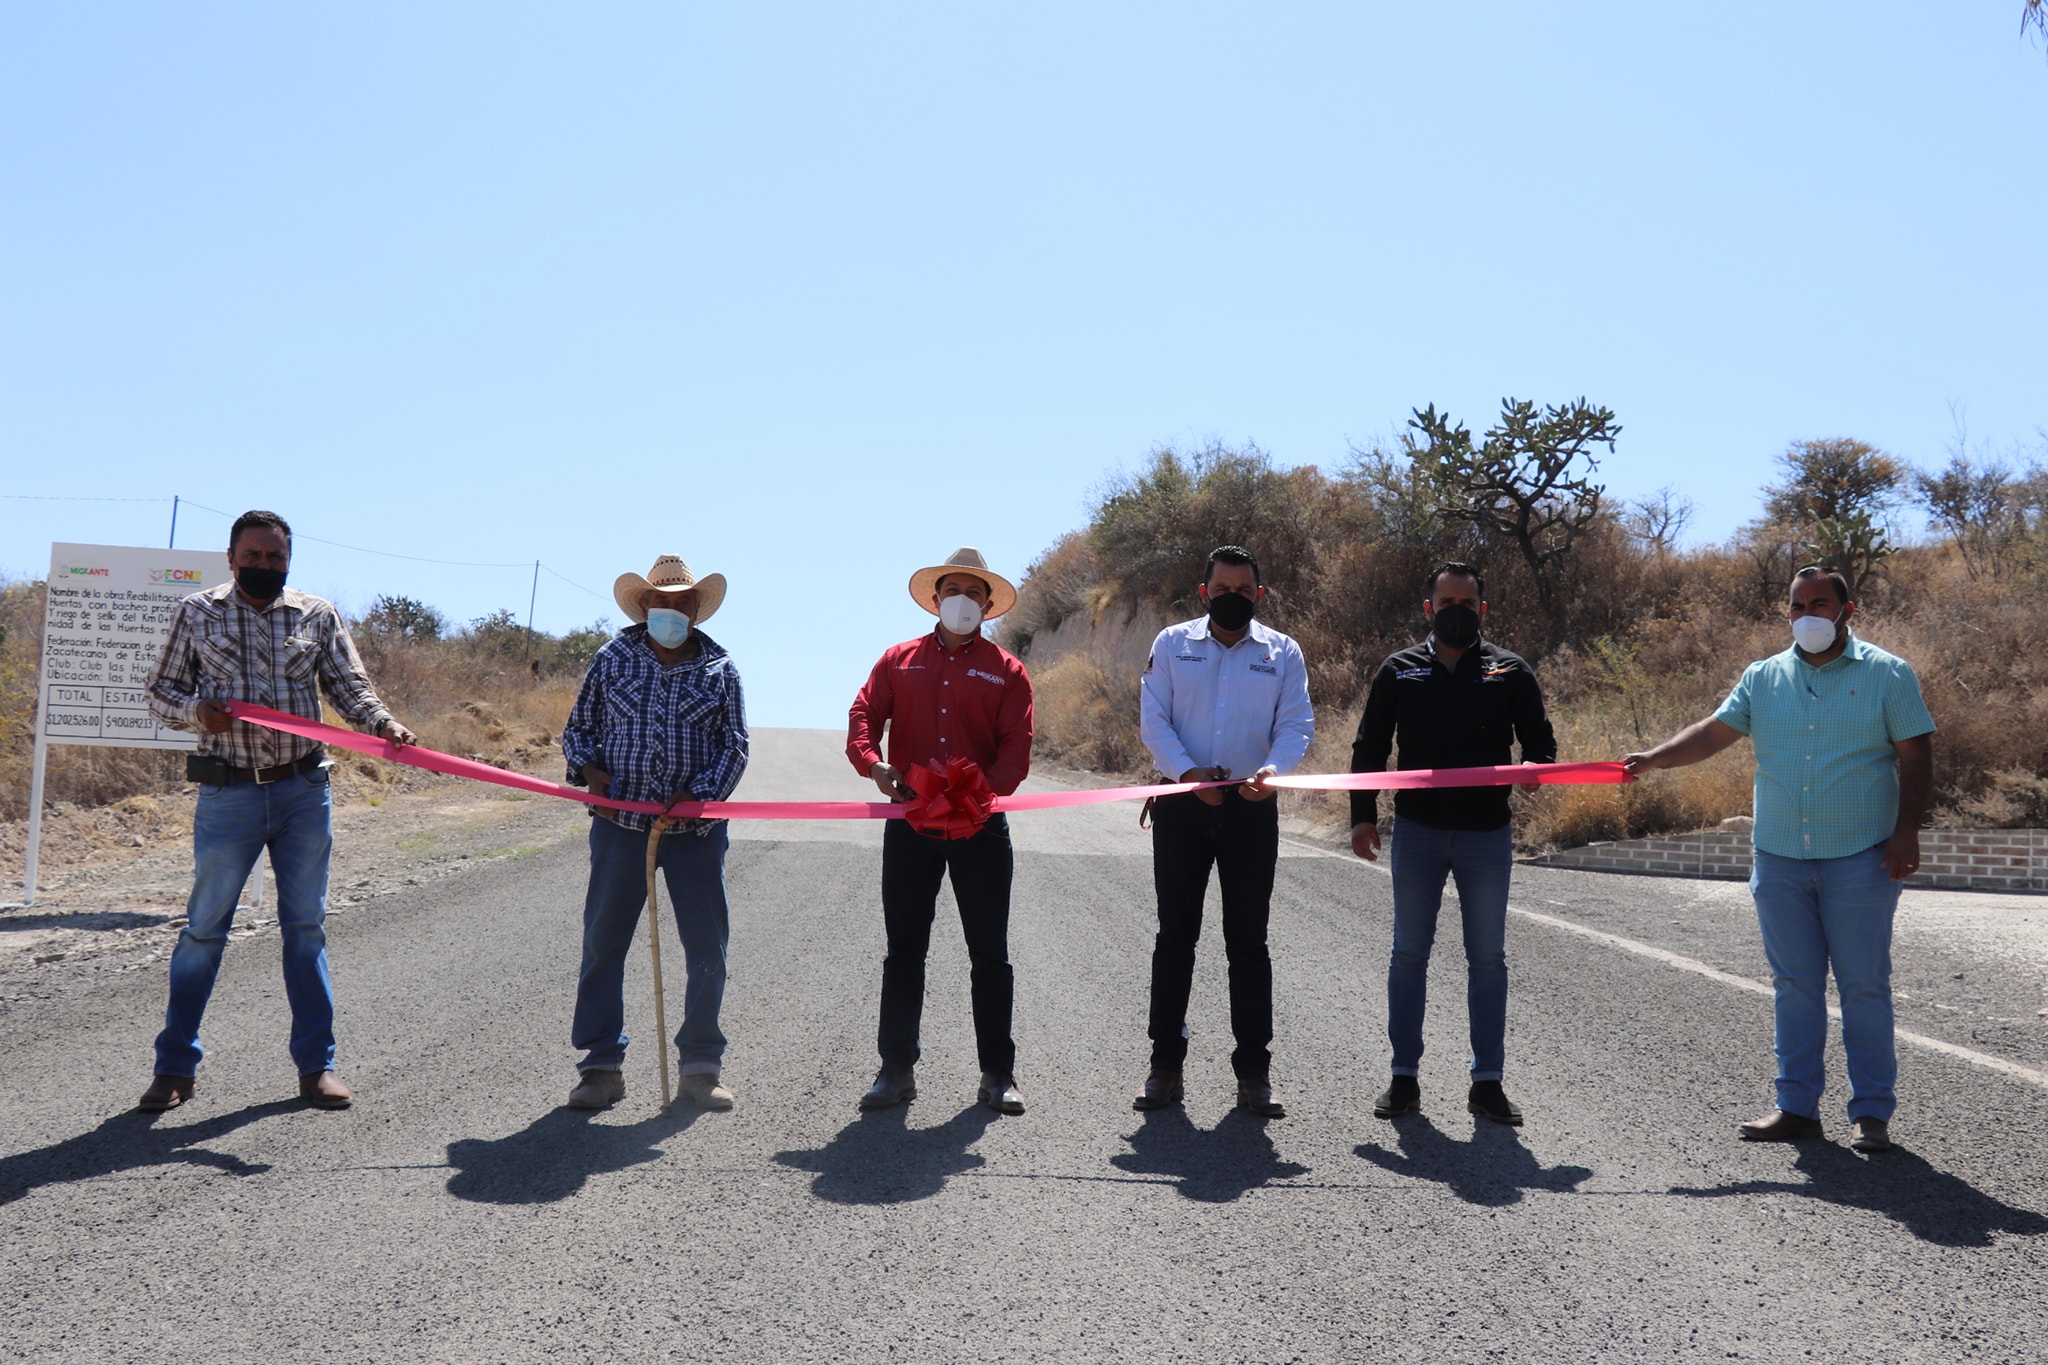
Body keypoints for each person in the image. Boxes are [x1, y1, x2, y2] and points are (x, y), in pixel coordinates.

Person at [1623, 566, 1934, 1153]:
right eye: (1797, 606)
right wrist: (1654, 759)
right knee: (1794, 985)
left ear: (1848, 609)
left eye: (1820, 603)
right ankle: (1795, 1107)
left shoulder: (1889, 674)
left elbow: (1916, 758)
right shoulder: (1763, 678)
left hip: (1861, 856)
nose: (1808, 614)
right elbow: (1713, 734)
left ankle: (1871, 1114)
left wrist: (1906, 833)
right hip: (1780, 857)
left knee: (1863, 984)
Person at [140, 509, 415, 1111]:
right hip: (227, 794)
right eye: (254, 555)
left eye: (275, 556)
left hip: (302, 793)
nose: (264, 565)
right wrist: (197, 713)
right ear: (231, 556)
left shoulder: (315, 615)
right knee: (205, 931)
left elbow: (350, 688)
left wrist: (386, 726)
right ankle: (174, 1066)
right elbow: (159, 692)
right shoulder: (196, 613)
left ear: (288, 559)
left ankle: (316, 1066)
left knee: (306, 930)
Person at [1350, 562, 1554, 1127]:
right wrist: (1362, 819)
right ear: (1429, 609)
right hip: (1416, 832)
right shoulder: (1398, 671)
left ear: (1482, 609)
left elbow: (1541, 743)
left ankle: (1487, 1083)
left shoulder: (1510, 671)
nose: (1456, 610)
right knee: (1408, 955)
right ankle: (1403, 1079)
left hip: (1487, 836)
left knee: (1488, 958)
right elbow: (1369, 748)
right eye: (1446, 602)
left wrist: (1537, 768)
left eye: (1467, 602)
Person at [846, 547, 1034, 1115]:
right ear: (935, 598)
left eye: (975, 593)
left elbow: (1015, 750)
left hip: (980, 828)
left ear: (988, 605)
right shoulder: (897, 661)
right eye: (954, 590)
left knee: (990, 954)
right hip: (911, 827)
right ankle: (895, 1070)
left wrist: (982, 796)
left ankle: (998, 1075)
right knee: (904, 951)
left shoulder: (1007, 671)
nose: (963, 601)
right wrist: (873, 763)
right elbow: (863, 717)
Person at [559, 555, 749, 1111]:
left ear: (696, 610)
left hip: (694, 831)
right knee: (603, 944)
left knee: (706, 948)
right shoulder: (612, 658)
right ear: (645, 607)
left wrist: (699, 795)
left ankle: (700, 1067)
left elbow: (734, 745)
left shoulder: (721, 669)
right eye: (660, 602)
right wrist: (591, 772)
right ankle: (600, 1067)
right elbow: (579, 731)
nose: (670, 611)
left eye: (682, 603)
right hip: (620, 827)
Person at [1134, 545, 1314, 1118]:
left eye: (1244, 591)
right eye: (1222, 589)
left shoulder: (1283, 653)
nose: (1232, 598)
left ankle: (1254, 1075)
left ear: (1258, 596)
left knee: (1248, 943)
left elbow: (1296, 724)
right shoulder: (1171, 644)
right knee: (1175, 938)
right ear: (1203, 592)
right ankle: (1165, 1067)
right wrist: (1186, 774)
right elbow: (1153, 717)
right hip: (1183, 807)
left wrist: (1275, 772)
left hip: (1251, 808)